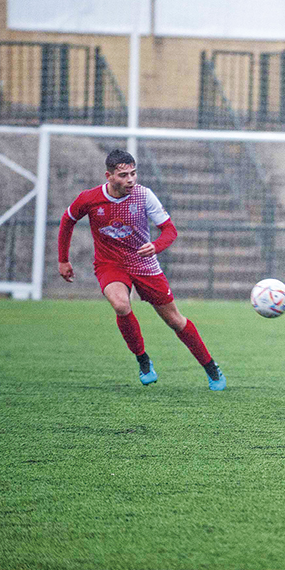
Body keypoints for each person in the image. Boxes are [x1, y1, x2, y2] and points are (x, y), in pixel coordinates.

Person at [57, 149, 226, 391]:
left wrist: (155, 246)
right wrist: (63, 259)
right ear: (109, 176)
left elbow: (170, 230)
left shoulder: (144, 196)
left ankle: (210, 367)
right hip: (110, 264)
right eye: (124, 175)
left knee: (175, 320)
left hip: (144, 264)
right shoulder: (90, 198)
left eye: (133, 174)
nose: (130, 180)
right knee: (121, 305)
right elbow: (68, 220)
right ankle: (143, 360)